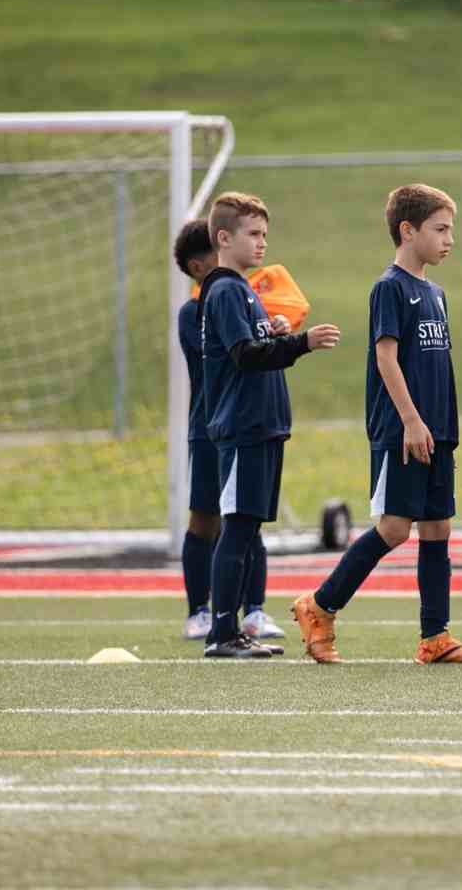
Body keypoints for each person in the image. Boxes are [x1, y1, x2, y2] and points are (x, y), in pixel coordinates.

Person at [292, 185, 462, 665]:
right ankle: (319, 606)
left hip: (437, 431)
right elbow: (386, 357)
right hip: (404, 429)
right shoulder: (391, 287)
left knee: (438, 527)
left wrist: (440, 426)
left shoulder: (436, 293)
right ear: (408, 230)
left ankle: (435, 637)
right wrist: (410, 419)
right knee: (397, 528)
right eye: (440, 229)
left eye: (451, 230)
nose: (449, 240)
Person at [199, 192, 342, 659]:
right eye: (253, 234)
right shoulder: (223, 290)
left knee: (248, 527)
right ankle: (221, 632)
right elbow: (243, 356)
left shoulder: (243, 291)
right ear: (224, 238)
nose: (262, 244)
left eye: (265, 234)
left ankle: (234, 627)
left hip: (262, 426)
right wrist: (302, 342)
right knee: (237, 528)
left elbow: (255, 348)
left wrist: (276, 334)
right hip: (242, 426)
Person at [174, 221, 282, 642]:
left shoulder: (243, 299)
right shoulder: (195, 311)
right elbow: (233, 356)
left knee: (247, 519)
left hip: (246, 424)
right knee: (206, 519)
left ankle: (253, 609)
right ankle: (200, 611)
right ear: (201, 264)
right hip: (209, 427)